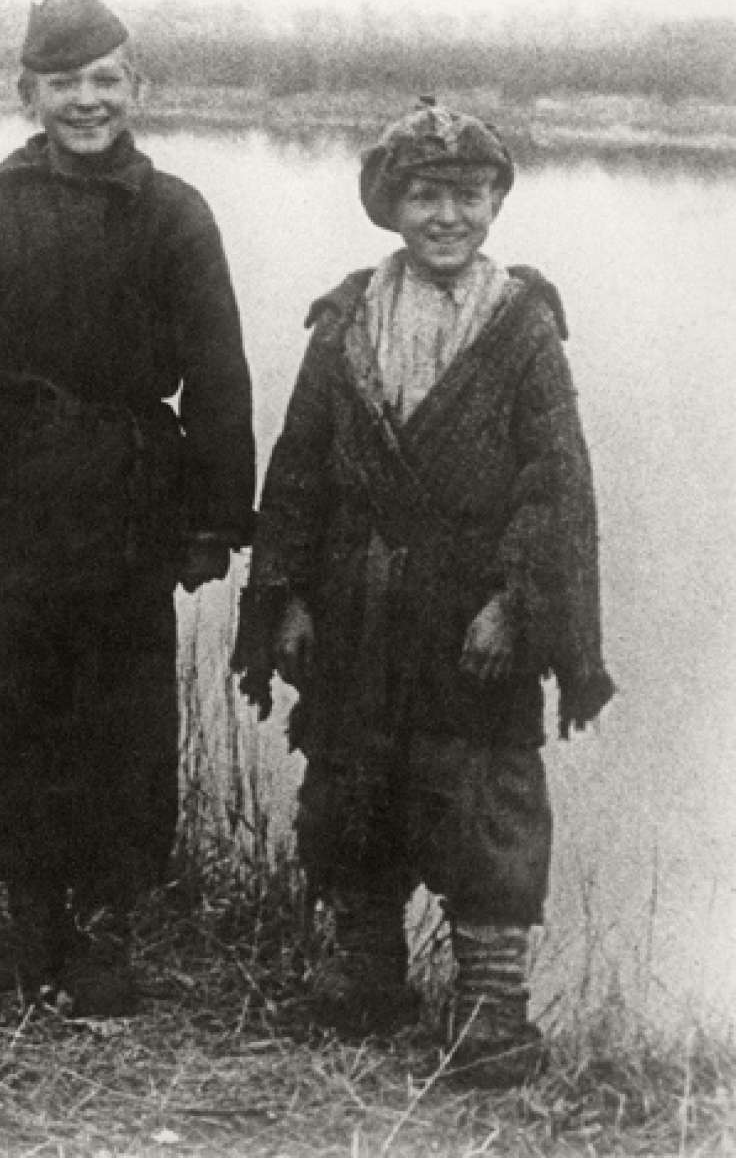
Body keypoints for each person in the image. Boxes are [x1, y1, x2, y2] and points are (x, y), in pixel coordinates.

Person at [232, 100, 615, 1086]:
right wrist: (288, 598)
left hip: (467, 628)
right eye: (425, 194)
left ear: (495, 203)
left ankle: (491, 1013)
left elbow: (555, 483)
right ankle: (362, 975)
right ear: (389, 204)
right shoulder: (347, 318)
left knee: (485, 804)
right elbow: (300, 471)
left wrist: (519, 606)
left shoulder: (523, 325)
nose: (447, 215)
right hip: (357, 617)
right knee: (352, 792)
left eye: (468, 194)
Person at [0, 0, 256, 1015]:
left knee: (123, 721)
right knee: (15, 713)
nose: (87, 101)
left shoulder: (175, 213)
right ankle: (28, 925)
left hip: (132, 503)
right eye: (65, 83)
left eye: (106, 80)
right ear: (29, 93)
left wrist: (214, 515)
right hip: (12, 503)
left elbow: (219, 372)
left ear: (138, 89)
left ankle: (105, 932)